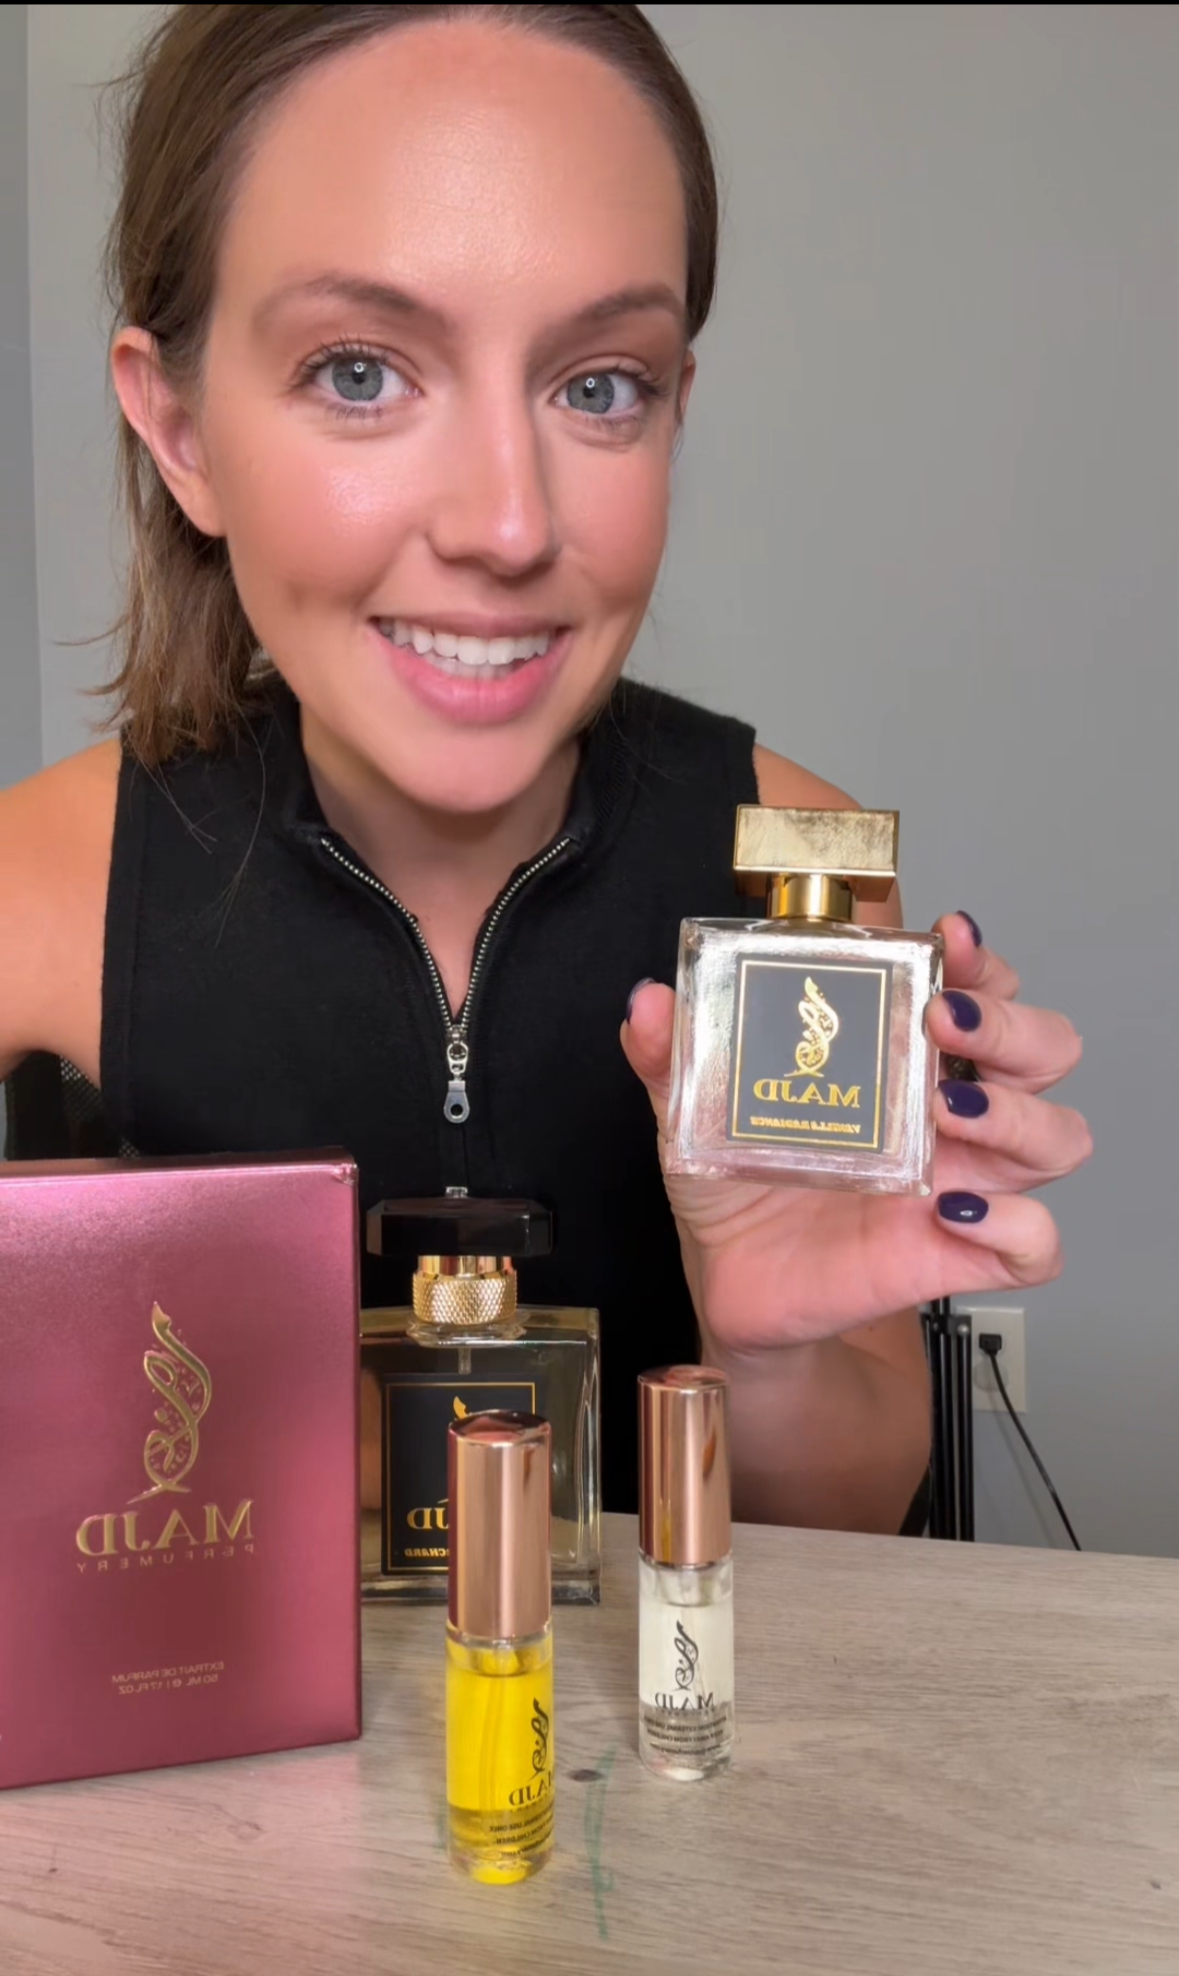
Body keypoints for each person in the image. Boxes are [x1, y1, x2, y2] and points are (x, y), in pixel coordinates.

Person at [0, 3, 1090, 1531]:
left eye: (598, 385)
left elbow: (837, 1535)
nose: (509, 525)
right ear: (180, 426)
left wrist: (766, 1358)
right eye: (362, 371)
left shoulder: (799, 863)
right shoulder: (36, 889)